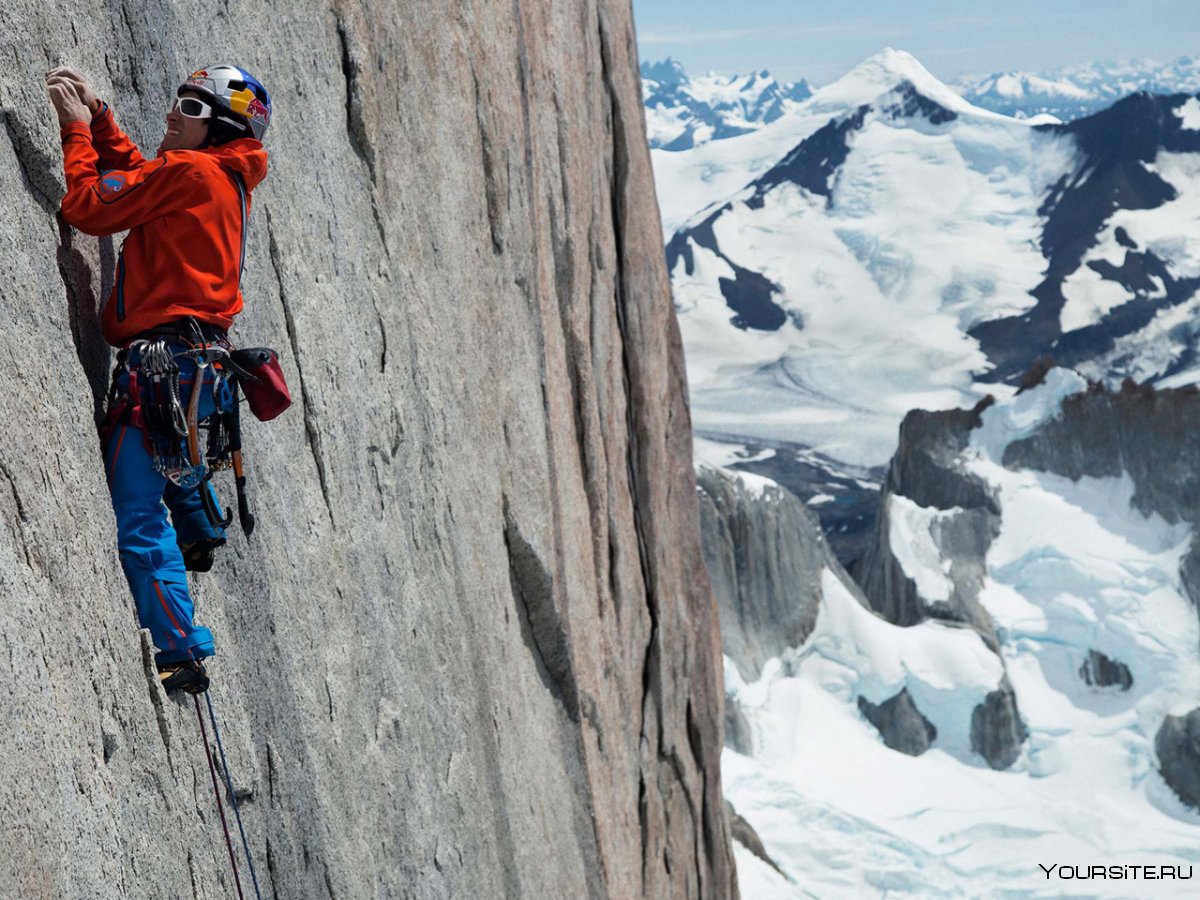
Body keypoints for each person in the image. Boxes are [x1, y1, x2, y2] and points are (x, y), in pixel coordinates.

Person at [46, 65, 271, 693]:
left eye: (191, 107)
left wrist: (74, 131)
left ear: (219, 126)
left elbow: (89, 207)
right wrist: (103, 120)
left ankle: (181, 647)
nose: (175, 111)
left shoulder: (193, 172)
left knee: (139, 514)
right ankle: (197, 523)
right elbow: (147, 182)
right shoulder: (220, 179)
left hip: (160, 370)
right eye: (179, 99)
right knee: (167, 464)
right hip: (195, 368)